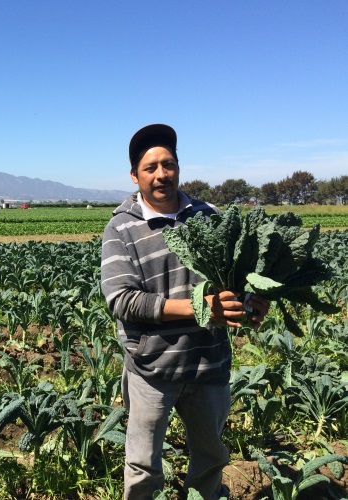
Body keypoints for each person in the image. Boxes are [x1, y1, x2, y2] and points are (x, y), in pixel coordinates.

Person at [100, 124, 269, 499]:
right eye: (150, 168)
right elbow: (122, 300)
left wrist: (252, 304)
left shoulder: (210, 216)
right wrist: (200, 309)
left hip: (209, 365)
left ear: (178, 167)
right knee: (143, 465)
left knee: (210, 458)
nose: (161, 174)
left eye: (169, 164)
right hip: (153, 369)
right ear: (135, 175)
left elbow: (237, 284)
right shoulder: (121, 228)